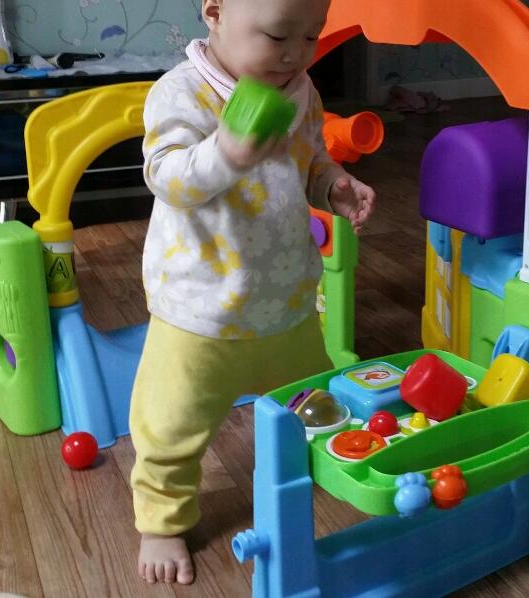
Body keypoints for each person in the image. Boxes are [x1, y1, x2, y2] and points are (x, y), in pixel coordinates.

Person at [130, 0, 376, 585]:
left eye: (310, 37)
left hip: (285, 301)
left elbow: (308, 159)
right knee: (169, 426)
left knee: (315, 405)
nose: (295, 54)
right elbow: (165, 175)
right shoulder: (182, 92)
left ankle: (329, 472)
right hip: (199, 310)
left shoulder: (301, 90)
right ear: (215, 12)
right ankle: (162, 522)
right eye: (277, 35)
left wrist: (333, 184)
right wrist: (224, 154)